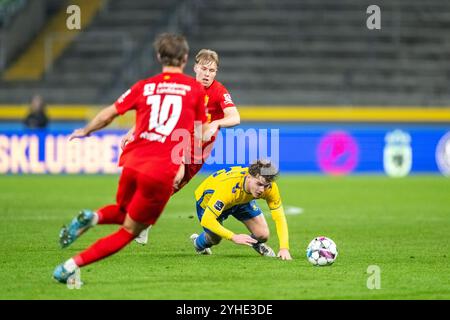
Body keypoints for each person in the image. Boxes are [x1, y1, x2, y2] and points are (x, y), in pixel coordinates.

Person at [52, 33, 208, 284]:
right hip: (160, 171)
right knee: (129, 231)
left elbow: (110, 113)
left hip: (133, 162)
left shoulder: (144, 86)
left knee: (124, 210)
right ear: (186, 58)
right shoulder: (195, 91)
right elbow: (198, 135)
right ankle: (70, 266)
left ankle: (92, 217)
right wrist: (185, 157)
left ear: (159, 57)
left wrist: (85, 131)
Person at [132, 49, 241, 244]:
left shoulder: (219, 91)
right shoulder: (182, 87)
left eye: (212, 70)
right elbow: (157, 110)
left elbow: (235, 117)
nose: (208, 74)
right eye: (204, 69)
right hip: (177, 142)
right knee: (173, 177)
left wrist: (216, 123)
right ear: (195, 68)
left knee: (171, 187)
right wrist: (133, 131)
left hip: (198, 152)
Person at [190, 160, 292, 260]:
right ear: (248, 177)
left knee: (262, 235)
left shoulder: (269, 187)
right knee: (215, 239)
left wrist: (284, 248)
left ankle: (257, 244)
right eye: (259, 184)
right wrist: (233, 237)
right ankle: (198, 243)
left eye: (266, 186)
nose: (262, 190)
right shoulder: (228, 187)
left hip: (240, 200)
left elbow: (279, 217)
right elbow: (207, 220)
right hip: (208, 201)